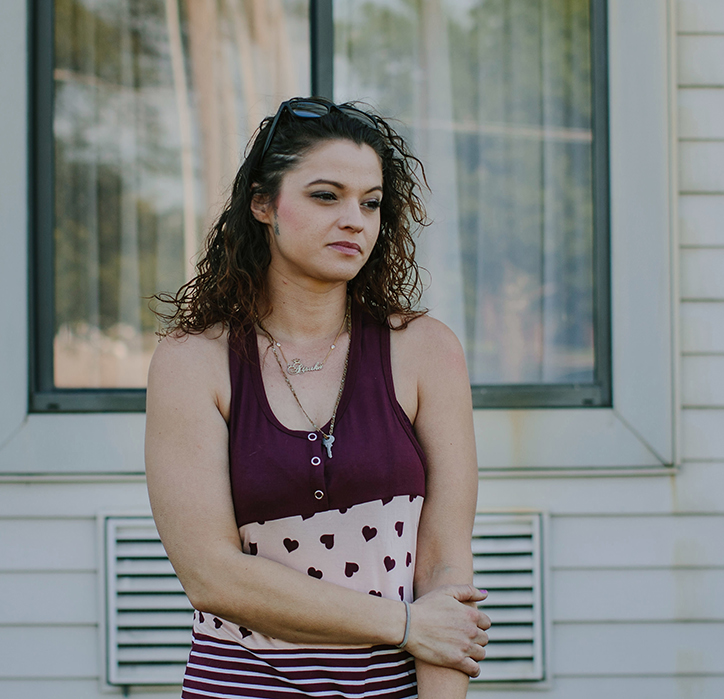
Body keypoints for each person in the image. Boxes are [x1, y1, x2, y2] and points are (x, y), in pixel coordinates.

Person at [145, 96, 489, 699]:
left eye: (372, 202)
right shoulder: (192, 361)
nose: (354, 219)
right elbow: (210, 576)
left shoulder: (426, 350)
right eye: (325, 196)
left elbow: (442, 569)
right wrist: (406, 626)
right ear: (262, 204)